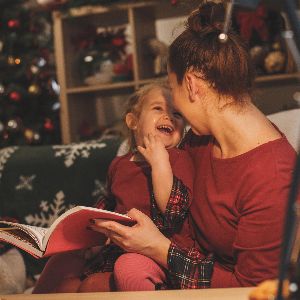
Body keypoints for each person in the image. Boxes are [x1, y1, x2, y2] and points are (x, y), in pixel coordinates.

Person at [88, 1, 297, 290]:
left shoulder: (273, 176)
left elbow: (250, 289)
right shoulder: (199, 140)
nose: (175, 110)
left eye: (172, 90)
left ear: (191, 85)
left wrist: (157, 248)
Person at [33, 81, 195, 293]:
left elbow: (175, 211)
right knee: (62, 262)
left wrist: (159, 163)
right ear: (133, 121)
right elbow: (109, 205)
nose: (169, 116)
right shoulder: (120, 164)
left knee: (97, 284)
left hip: (153, 253)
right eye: (158, 108)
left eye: (178, 113)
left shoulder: (179, 158)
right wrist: (89, 235)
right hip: (114, 249)